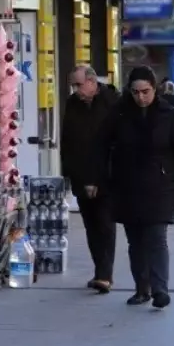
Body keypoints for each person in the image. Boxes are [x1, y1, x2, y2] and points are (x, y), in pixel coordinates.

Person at [88, 67, 174, 309]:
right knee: (135, 241)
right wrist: (95, 179)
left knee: (157, 238)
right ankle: (142, 289)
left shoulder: (169, 114)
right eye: (135, 92)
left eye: (145, 91)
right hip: (127, 186)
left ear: (154, 89)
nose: (141, 97)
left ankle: (160, 290)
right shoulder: (119, 114)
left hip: (160, 185)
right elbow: (100, 146)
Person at [61, 65, 119, 294]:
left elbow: (110, 145)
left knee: (105, 224)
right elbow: (69, 141)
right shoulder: (73, 104)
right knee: (91, 226)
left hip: (106, 176)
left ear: (93, 82)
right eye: (73, 85)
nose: (75, 90)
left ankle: (106, 275)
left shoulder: (112, 102)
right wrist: (69, 174)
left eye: (79, 84)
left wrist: (97, 179)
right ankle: (99, 271)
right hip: (80, 175)